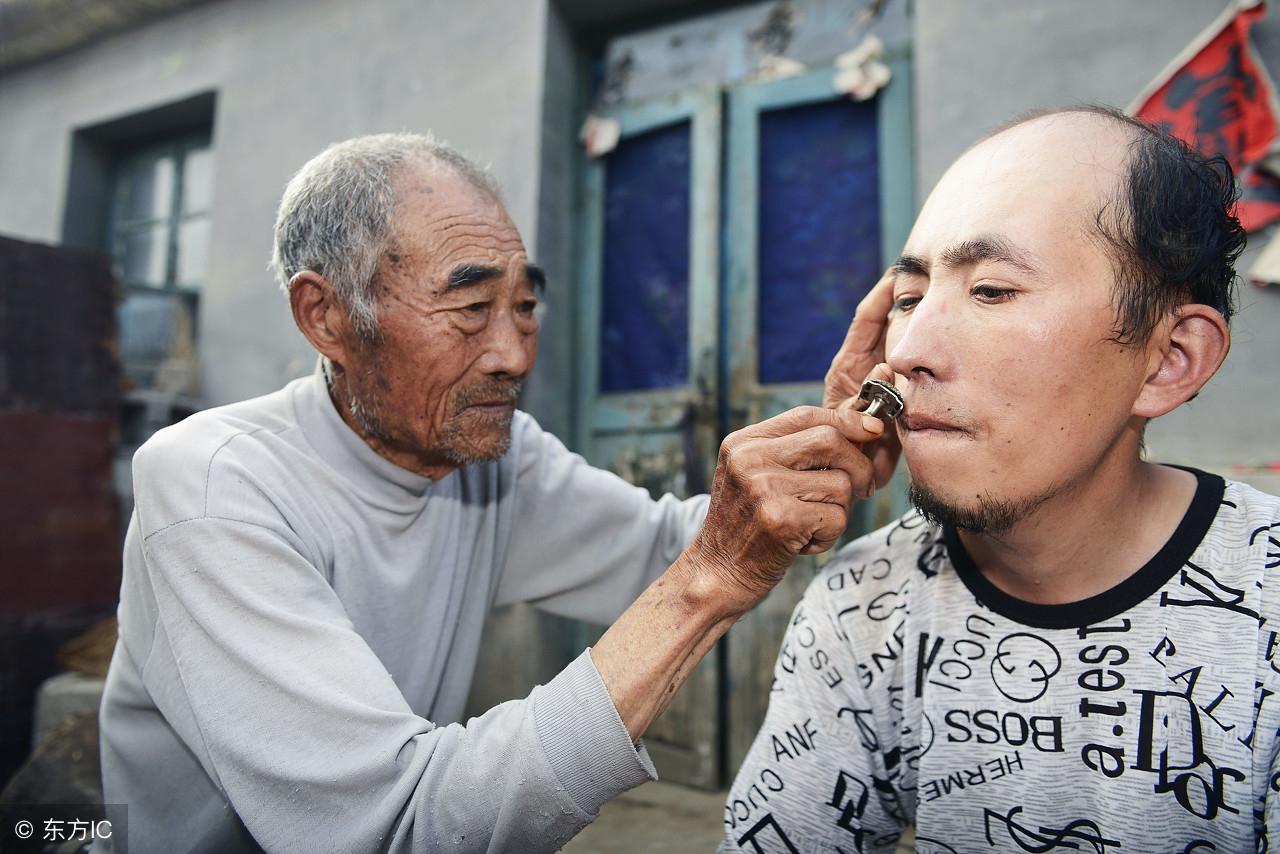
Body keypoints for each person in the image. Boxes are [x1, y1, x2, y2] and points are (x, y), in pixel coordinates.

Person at [95, 133, 888, 853]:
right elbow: (392, 827)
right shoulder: (216, 484)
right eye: (470, 308)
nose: (511, 353)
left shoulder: (488, 459)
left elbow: (662, 551)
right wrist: (712, 577)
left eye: (525, 306)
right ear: (325, 315)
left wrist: (817, 454)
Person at [722, 105, 1280, 852]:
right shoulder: (863, 601)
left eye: (991, 291)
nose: (910, 350)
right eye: (909, 298)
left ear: (1170, 358)